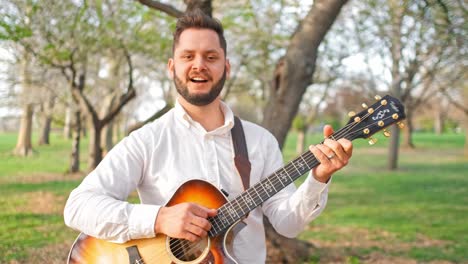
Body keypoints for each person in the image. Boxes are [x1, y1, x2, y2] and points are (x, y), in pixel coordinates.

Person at [64, 9, 353, 263]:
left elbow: (287, 224)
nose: (199, 65)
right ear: (171, 67)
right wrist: (160, 219)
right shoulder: (147, 140)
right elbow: (78, 207)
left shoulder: (260, 142)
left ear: (225, 67)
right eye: (188, 56)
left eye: (211, 57)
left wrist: (319, 178)